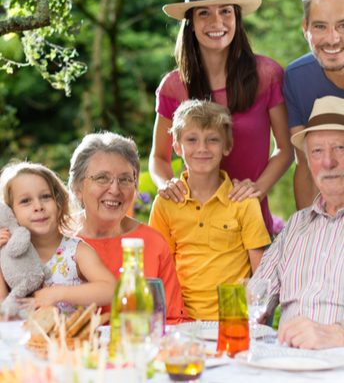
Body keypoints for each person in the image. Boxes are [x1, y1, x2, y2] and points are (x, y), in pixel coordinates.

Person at [149, 0, 293, 236]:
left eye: (225, 11)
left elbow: (285, 149)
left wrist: (258, 188)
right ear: (190, 21)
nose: (217, 21)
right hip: (194, 225)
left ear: (236, 17)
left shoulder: (268, 75)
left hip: (250, 219)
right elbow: (159, 157)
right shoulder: (173, 86)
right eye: (204, 12)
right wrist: (166, 183)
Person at [149, 100, 271, 320]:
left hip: (233, 318)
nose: (202, 148)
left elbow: (261, 272)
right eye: (192, 140)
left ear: (227, 146)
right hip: (180, 319)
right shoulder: (166, 203)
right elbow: (157, 268)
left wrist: (255, 318)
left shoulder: (244, 201)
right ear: (177, 147)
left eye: (212, 140)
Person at [250, 95, 344, 350]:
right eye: (317, 151)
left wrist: (338, 337)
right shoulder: (295, 226)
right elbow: (255, 299)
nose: (328, 161)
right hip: (286, 365)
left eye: (340, 148)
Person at [68, 131, 187, 323]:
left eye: (125, 179)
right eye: (102, 178)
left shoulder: (152, 243)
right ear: (77, 187)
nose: (115, 190)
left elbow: (172, 320)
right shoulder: (56, 238)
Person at [0, 161, 116, 314]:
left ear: (59, 203)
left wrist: (59, 293)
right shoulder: (8, 255)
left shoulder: (77, 251)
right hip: (23, 337)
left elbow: (112, 289)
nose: (38, 206)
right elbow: (2, 311)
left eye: (46, 197)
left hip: (71, 337)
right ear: (10, 213)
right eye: (25, 201)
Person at [284, 0, 344, 210]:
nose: (333, 38)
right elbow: (306, 167)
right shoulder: (297, 79)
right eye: (320, 26)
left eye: (342, 25)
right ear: (305, 28)